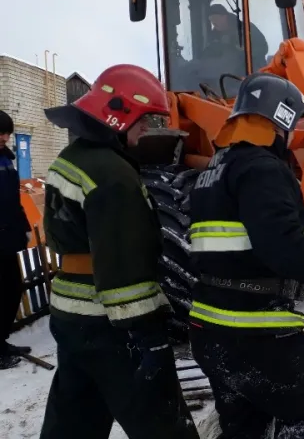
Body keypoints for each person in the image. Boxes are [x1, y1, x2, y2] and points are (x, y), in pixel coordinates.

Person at [187, 72, 304, 438]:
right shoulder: (262, 169)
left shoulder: (213, 171)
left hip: (210, 331)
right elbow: (284, 245)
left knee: (246, 427)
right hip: (252, 331)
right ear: (281, 121)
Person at [38, 64, 199, 439]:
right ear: (119, 115)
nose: (146, 133)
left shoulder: (72, 158)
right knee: (162, 423)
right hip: (113, 326)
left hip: (72, 315)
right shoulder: (113, 176)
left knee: (75, 421)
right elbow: (125, 269)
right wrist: (147, 338)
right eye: (144, 122)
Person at [0, 110, 33, 370]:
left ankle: (1, 342)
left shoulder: (6, 159)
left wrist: (23, 226)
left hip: (7, 236)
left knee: (12, 289)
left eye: (7, 132)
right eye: (1, 132)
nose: (5, 136)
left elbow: (12, 199)